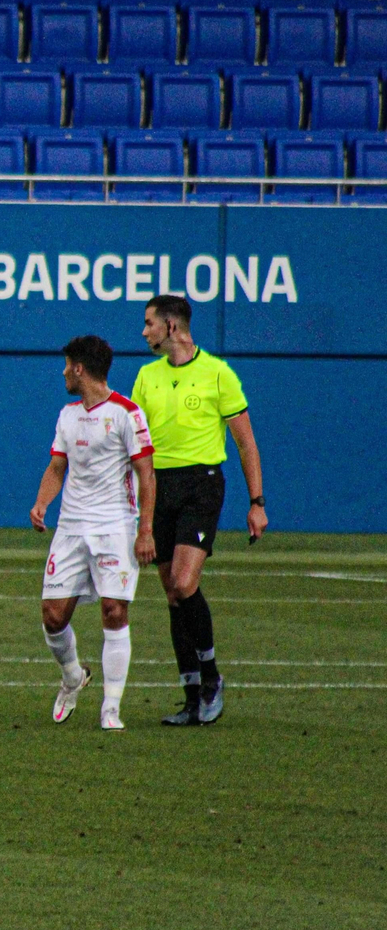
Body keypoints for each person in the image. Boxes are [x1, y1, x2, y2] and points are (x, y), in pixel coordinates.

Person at [133, 295, 268, 726]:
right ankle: (191, 695)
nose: (144, 331)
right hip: (158, 488)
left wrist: (256, 502)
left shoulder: (217, 374)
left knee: (184, 581)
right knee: (172, 595)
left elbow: (246, 443)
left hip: (201, 486)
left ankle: (211, 678)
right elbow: (134, 446)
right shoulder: (146, 377)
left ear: (172, 327)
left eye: (150, 323)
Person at [30, 336, 156, 731]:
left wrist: (145, 530)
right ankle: (72, 675)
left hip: (115, 526)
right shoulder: (68, 415)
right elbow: (57, 467)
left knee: (114, 611)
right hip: (71, 526)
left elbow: (146, 475)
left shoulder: (127, 414)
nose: (64, 372)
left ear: (80, 369)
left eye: (68, 365)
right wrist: (42, 503)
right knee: (52, 616)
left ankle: (111, 709)